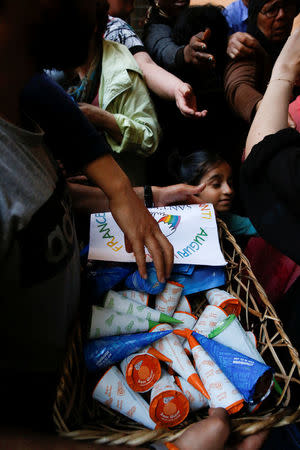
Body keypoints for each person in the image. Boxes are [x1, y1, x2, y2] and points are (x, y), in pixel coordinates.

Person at [67, 1, 160, 185]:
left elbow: (149, 138)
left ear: (92, 26)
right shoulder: (47, 67)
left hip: (114, 195)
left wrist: (103, 119)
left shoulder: (120, 69)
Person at [224, 0, 299, 124]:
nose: (281, 15)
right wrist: (264, 108)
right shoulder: (246, 47)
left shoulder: (291, 45)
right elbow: (237, 86)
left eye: (287, 7)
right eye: (271, 10)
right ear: (255, 15)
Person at [169, 150, 257, 240]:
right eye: (216, 184)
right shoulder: (173, 222)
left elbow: (259, 227)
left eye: (230, 183)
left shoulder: (226, 220)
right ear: (191, 189)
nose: (229, 190)